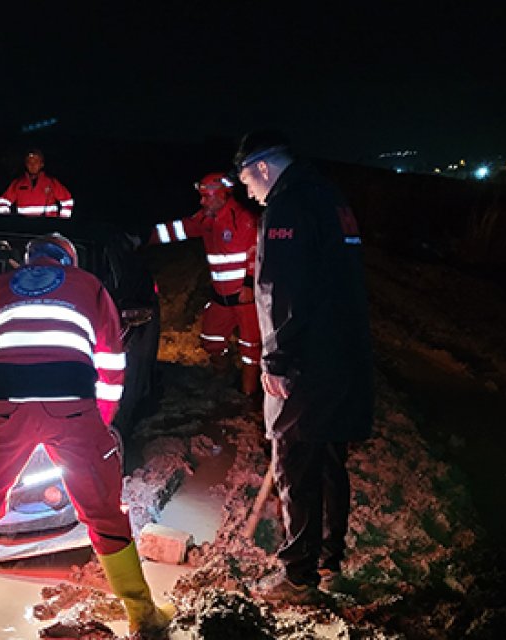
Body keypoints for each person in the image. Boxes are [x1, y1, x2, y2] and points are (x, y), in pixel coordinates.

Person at [0, 233, 174, 635]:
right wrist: (99, 419)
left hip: (4, 401)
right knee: (102, 512)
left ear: (30, 261)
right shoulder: (88, 286)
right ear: (68, 261)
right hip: (73, 405)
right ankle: (143, 614)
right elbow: (112, 364)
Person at [234, 130, 373, 604]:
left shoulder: (288, 207)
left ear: (263, 168)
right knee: (332, 460)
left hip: (306, 360)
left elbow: (281, 290)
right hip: (343, 355)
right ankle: (331, 559)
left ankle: (297, 578)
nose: (248, 192)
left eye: (247, 181)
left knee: (294, 460)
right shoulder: (331, 197)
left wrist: (277, 358)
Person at [143, 172, 262, 396]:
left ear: (222, 195)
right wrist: (143, 236)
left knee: (251, 349)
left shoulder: (244, 219)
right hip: (221, 298)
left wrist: (248, 283)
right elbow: (180, 229)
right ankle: (223, 376)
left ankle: (248, 395)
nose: (202, 201)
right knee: (211, 339)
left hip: (246, 300)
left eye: (207, 197)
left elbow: (257, 254)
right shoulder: (206, 218)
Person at [0, 149, 74, 218]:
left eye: (36, 162)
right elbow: (3, 202)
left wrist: (61, 222)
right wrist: (8, 220)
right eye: (29, 162)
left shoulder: (51, 182)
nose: (32, 165)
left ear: (42, 164)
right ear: (26, 164)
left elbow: (67, 201)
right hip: (25, 229)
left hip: (49, 228)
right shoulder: (18, 183)